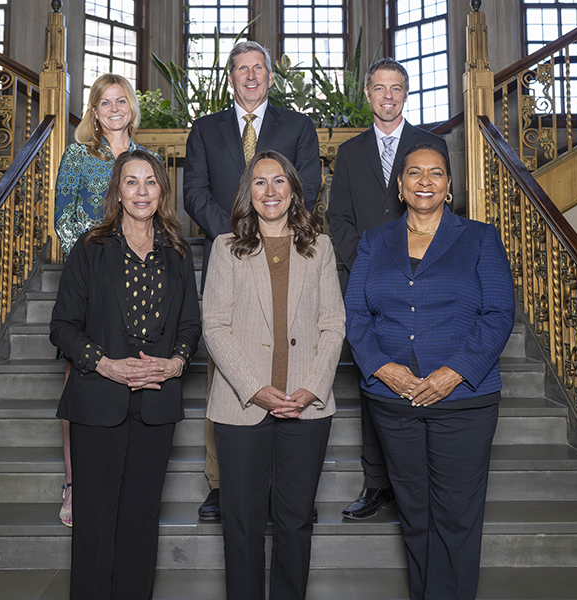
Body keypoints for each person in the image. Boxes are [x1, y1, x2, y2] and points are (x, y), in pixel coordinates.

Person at [344, 142, 515, 600]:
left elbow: (499, 313)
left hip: (463, 401)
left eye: (435, 173)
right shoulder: (373, 241)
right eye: (414, 173)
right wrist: (383, 368)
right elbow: (356, 315)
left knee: (456, 517)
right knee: (415, 514)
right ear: (400, 187)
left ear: (449, 187)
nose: (424, 180)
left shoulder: (480, 238)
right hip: (393, 401)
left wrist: (454, 372)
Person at [50, 149, 201, 600]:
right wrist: (105, 364)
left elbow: (191, 325)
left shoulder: (177, 252)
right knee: (95, 526)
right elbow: (61, 327)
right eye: (131, 182)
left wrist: (176, 362)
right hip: (97, 402)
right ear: (118, 190)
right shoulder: (91, 249)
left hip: (156, 405)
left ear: (162, 191)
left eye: (150, 182)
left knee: (141, 521)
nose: (141, 191)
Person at [184, 40, 321, 522]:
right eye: (241, 69)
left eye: (258, 68)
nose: (250, 76)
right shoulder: (205, 130)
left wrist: (269, 230)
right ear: (231, 77)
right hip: (230, 258)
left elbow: (306, 184)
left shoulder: (299, 127)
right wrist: (240, 234)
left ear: (269, 75)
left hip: (289, 256)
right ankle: (222, 482)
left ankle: (286, 480)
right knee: (224, 365)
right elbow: (193, 192)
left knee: (290, 349)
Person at [202, 150, 344, 600]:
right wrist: (256, 388)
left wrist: (311, 388)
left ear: (293, 191)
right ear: (249, 192)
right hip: (241, 406)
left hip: (307, 404)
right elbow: (215, 327)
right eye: (260, 182)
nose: (270, 191)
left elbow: (332, 323)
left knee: (296, 520)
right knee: (241, 524)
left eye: (279, 181)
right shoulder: (226, 248)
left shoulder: (319, 247)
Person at [328, 58, 450, 520]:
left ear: (406, 93)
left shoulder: (430, 145)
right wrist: (365, 265)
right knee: (376, 379)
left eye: (396, 88)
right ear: (368, 94)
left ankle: (417, 486)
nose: (388, 96)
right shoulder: (351, 152)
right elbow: (337, 217)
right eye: (379, 88)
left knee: (422, 374)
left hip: (425, 282)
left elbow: (439, 209)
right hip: (369, 281)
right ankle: (377, 483)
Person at [53, 73, 160, 526]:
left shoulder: (148, 159)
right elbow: (65, 217)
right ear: (94, 112)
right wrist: (99, 263)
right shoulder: (79, 155)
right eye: (104, 102)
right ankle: (75, 482)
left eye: (122, 101)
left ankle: (124, 480)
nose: (114, 109)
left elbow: (161, 217)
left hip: (141, 283)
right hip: (92, 280)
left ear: (131, 108)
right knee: (78, 381)